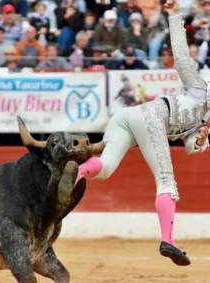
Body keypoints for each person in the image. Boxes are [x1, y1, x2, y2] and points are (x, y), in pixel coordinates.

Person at [74, 0, 210, 267]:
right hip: (150, 118)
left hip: (130, 118)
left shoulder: (201, 120)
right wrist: (174, 16)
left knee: (106, 168)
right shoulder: (200, 89)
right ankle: (168, 240)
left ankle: (74, 172)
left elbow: (190, 145)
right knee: (167, 182)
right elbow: (182, 57)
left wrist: (201, 140)